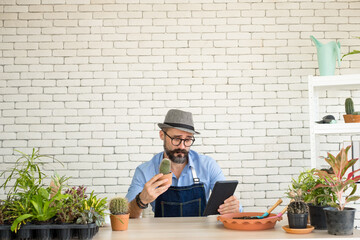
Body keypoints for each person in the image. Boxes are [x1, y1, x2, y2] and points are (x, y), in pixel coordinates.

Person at [126, 109, 243, 218]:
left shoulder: (208, 165)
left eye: (187, 139)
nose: (182, 146)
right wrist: (141, 200)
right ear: (162, 135)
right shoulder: (145, 171)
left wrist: (234, 208)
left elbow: (234, 208)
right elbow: (125, 216)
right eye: (176, 138)